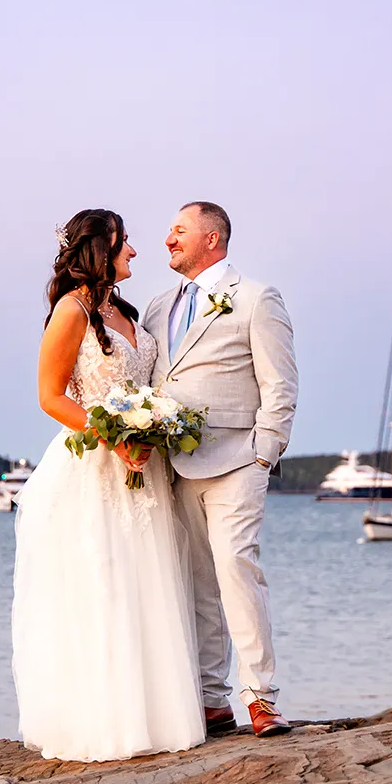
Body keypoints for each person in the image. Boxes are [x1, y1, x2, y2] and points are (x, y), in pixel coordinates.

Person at [10, 209, 205, 762]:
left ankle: (159, 717)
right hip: (93, 468)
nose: (135, 253)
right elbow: (50, 396)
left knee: (149, 583)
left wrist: (152, 425)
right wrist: (111, 434)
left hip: (143, 468)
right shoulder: (70, 311)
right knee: (103, 585)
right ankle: (104, 724)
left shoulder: (125, 312)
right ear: (102, 248)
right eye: (127, 243)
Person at [143, 202, 298, 737]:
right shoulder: (157, 307)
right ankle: (211, 700)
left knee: (236, 567)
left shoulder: (256, 298)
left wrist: (265, 452)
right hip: (174, 464)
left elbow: (280, 383)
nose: (168, 239)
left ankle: (260, 696)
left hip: (238, 458)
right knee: (198, 582)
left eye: (178, 230)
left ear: (212, 238)